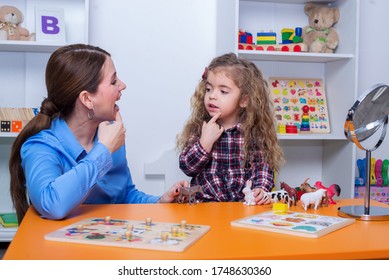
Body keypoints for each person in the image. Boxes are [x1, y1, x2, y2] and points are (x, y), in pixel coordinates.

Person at [9, 44, 188, 223]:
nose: (122, 86)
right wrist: (103, 150)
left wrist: (160, 201)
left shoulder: (109, 135)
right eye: (113, 81)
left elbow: (124, 195)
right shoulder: (40, 147)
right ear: (87, 99)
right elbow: (52, 205)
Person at [177, 53, 284, 204]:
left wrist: (261, 188)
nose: (212, 96)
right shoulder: (201, 127)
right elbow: (187, 167)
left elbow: (262, 168)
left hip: (242, 206)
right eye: (208, 89)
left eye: (223, 91)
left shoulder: (253, 132)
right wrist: (205, 143)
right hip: (205, 207)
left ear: (244, 100)